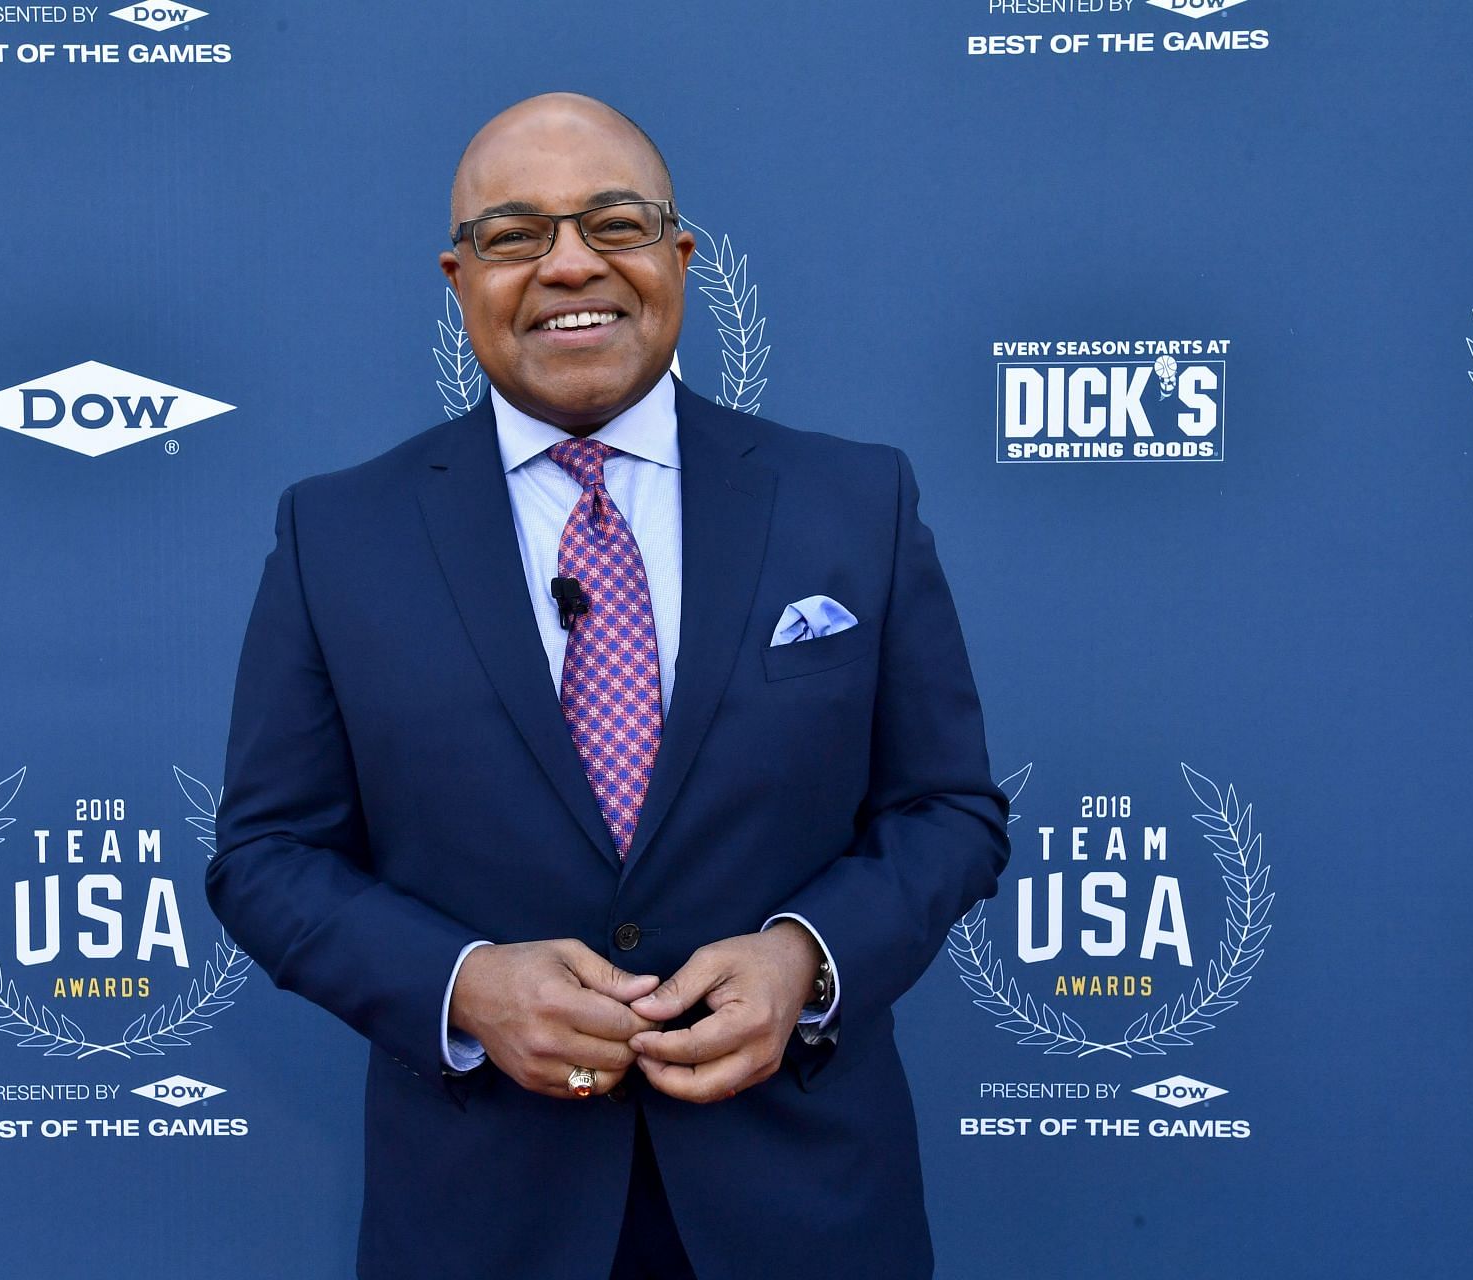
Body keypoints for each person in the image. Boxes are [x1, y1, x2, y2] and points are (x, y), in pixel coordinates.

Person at [208, 91, 1010, 1280]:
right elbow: (267, 854)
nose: (569, 262)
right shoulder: (337, 534)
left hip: (807, 1211)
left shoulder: (854, 503)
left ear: (681, 256)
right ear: (458, 276)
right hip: (481, 1221)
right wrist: (464, 985)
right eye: (515, 233)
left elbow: (949, 810)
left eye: (614, 223)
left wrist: (806, 956)